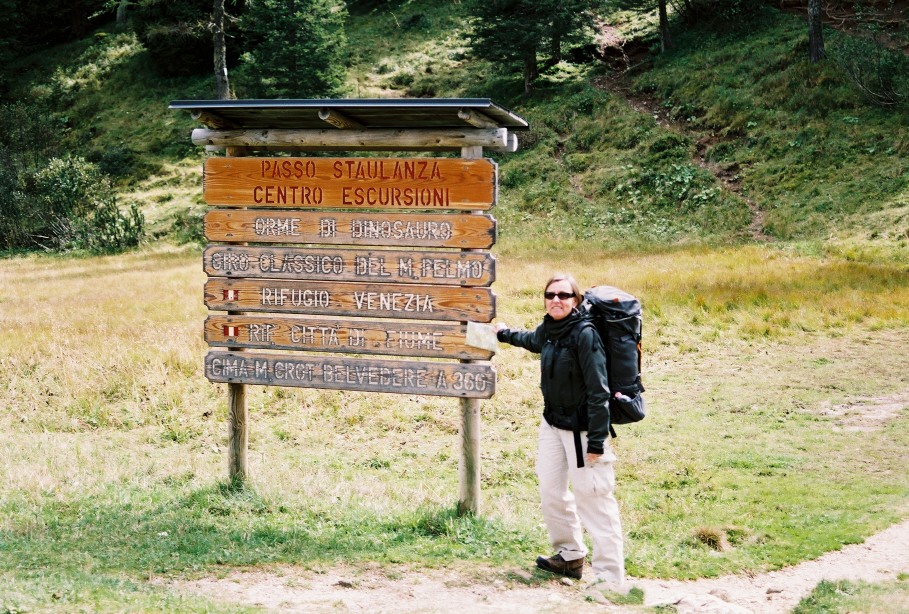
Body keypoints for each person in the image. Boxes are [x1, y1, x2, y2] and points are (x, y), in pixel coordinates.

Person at [494, 272, 626, 590]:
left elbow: (598, 391)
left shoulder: (585, 334)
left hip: (583, 433)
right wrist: (502, 333)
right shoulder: (550, 330)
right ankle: (569, 556)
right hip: (552, 424)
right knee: (551, 491)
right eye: (550, 294)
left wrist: (597, 441)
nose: (556, 300)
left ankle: (611, 577)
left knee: (594, 499)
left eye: (564, 295)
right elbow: (531, 340)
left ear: (576, 300)